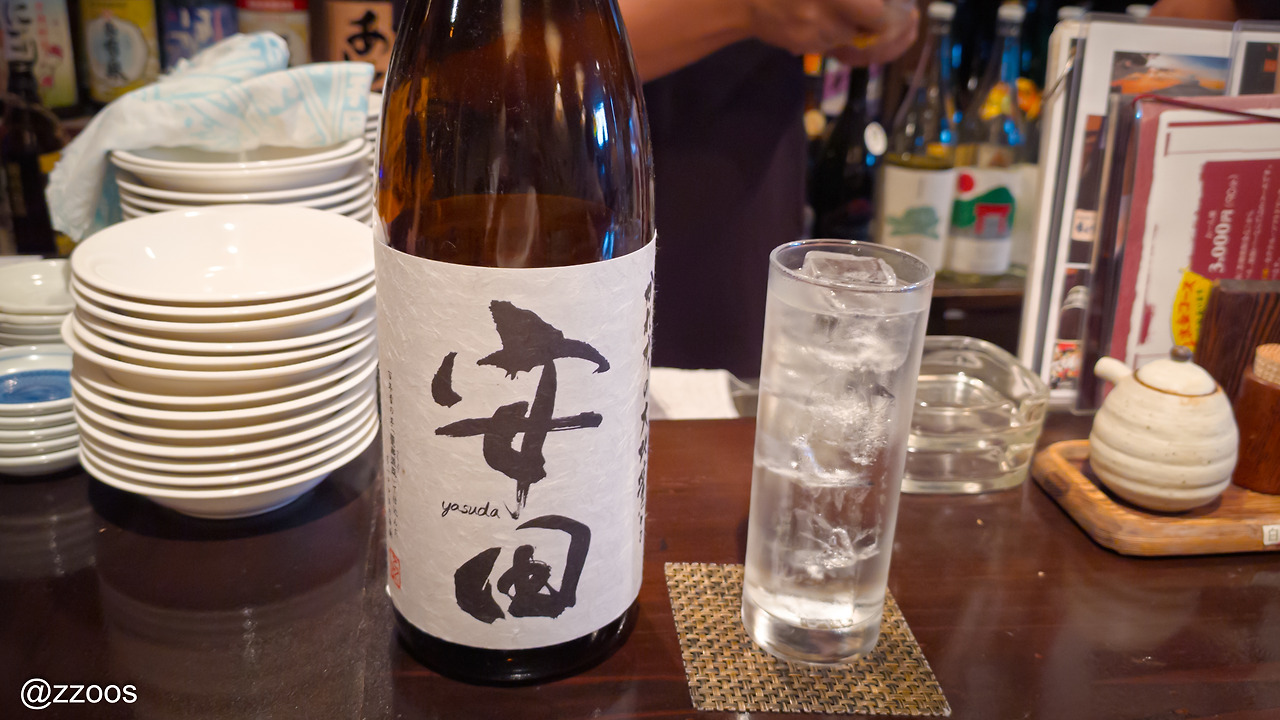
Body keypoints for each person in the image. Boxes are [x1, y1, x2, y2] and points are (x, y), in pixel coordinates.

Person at [617, 0, 917, 379]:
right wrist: (746, 9)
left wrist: (872, 18)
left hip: (749, 175)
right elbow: (548, 41)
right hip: (611, 163)